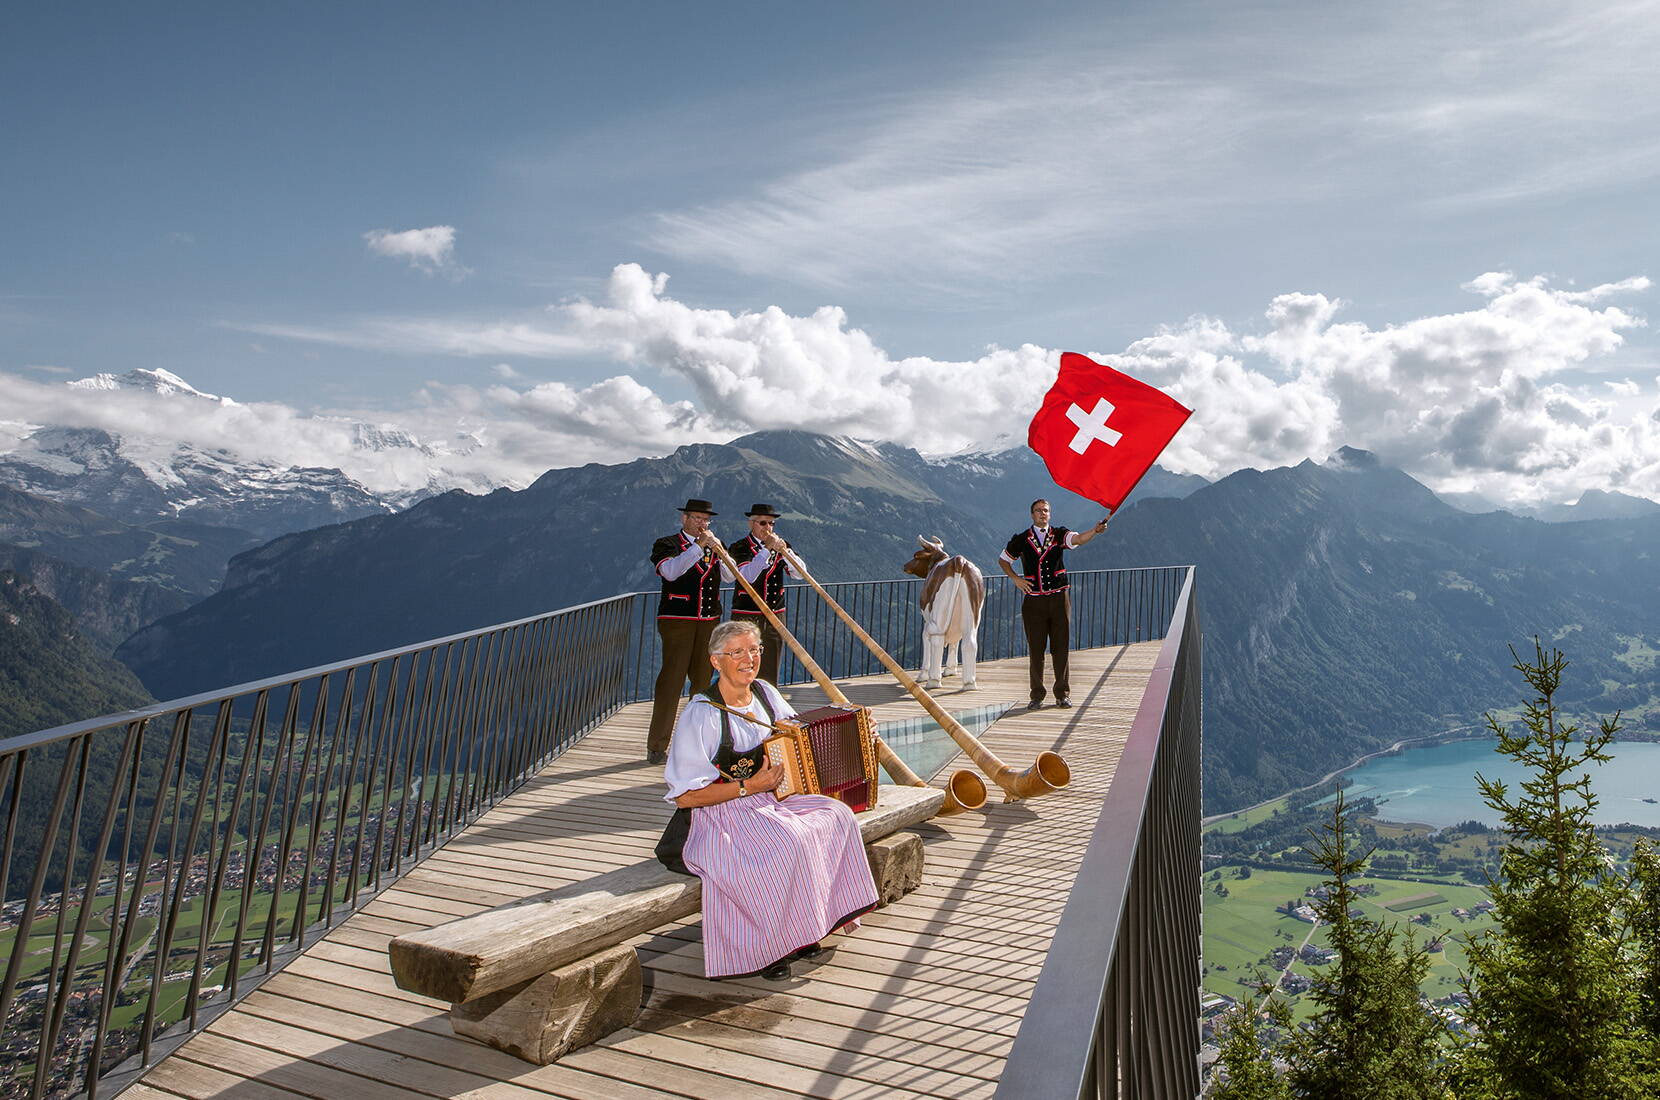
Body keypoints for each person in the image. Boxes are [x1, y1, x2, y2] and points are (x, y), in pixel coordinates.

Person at [660, 619, 879, 981]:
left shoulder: (764, 693)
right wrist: (749, 786)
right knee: (782, 843)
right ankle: (768, 948)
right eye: (737, 652)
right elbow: (686, 796)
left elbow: (800, 739)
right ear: (716, 661)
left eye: (754, 649)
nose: (749, 659)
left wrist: (857, 734)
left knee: (835, 816)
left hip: (767, 799)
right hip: (717, 813)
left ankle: (805, 930)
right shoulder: (702, 714)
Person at [998, 498, 1109, 709]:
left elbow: (1078, 539)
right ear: (1032, 515)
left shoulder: (1059, 534)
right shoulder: (1021, 539)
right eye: (1038, 511)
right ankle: (1037, 695)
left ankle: (1062, 694)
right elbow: (1003, 560)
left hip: (1059, 599)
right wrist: (1015, 578)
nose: (1042, 513)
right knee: (1036, 650)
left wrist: (1094, 531)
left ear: (1050, 514)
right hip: (1034, 602)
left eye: (1046, 510)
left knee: (1061, 648)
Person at [647, 499, 725, 765]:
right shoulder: (667, 544)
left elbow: (729, 576)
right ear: (684, 519)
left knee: (703, 682)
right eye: (697, 519)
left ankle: (697, 742)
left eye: (706, 520)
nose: (702, 525)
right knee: (672, 680)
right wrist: (699, 547)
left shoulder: (715, 545)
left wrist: (719, 551)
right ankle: (657, 745)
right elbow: (670, 572)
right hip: (677, 620)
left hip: (708, 620)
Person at [726, 503, 802, 685]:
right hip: (747, 615)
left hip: (776, 614)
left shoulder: (782, 547)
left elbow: (799, 574)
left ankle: (768, 707)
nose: (768, 528)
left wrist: (787, 552)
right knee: (744, 664)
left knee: (770, 666)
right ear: (751, 524)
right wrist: (767, 550)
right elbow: (747, 577)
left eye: (771, 524)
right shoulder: (740, 547)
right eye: (763, 523)